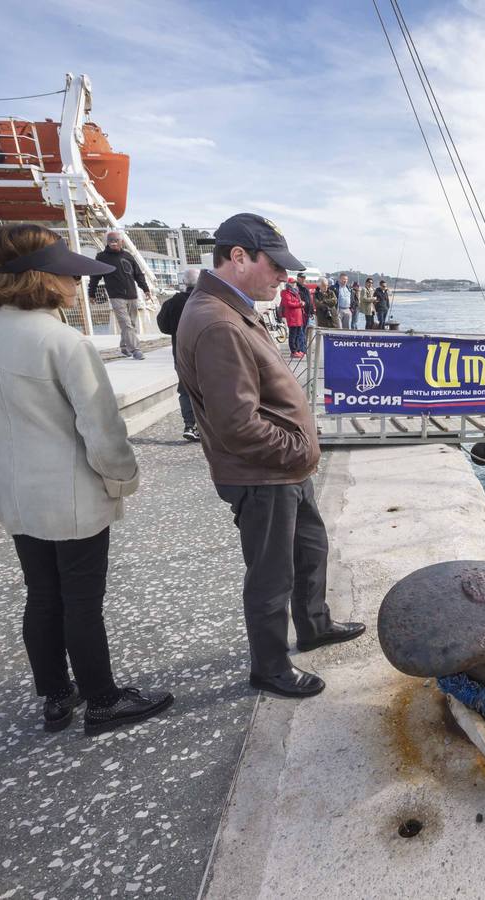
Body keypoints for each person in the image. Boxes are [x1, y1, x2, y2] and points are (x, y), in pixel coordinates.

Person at [0, 223, 173, 735]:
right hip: (71, 492)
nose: (77, 286)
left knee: (41, 593)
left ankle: (56, 696)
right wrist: (122, 479)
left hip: (12, 487)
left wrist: (4, 453)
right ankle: (102, 700)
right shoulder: (62, 341)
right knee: (81, 599)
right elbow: (102, 429)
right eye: (70, 276)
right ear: (46, 279)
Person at [174, 213, 365, 699]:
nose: (283, 277)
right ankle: (270, 667)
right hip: (264, 474)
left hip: (282, 470)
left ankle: (315, 623)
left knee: (309, 550)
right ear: (238, 257)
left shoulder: (230, 310)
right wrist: (298, 449)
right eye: (275, 265)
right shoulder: (218, 323)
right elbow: (238, 423)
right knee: (271, 575)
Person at [88, 230, 151, 360]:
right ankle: (136, 350)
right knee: (126, 323)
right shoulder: (101, 257)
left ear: (121, 242)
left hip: (132, 294)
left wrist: (145, 289)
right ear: (107, 242)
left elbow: (138, 274)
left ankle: (124, 347)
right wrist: (91, 293)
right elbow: (95, 277)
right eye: (110, 240)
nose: (113, 242)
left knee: (131, 324)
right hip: (116, 295)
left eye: (116, 240)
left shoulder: (128, 256)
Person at [155, 268, 201, 442]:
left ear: (185, 283)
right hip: (207, 354)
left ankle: (190, 425)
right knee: (209, 389)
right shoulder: (207, 301)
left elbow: (164, 327)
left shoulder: (172, 303)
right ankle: (208, 427)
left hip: (181, 354)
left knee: (186, 390)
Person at [280, 278, 307, 358]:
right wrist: (300, 304)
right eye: (292, 283)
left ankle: (298, 350)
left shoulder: (296, 292)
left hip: (298, 316)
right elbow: (288, 304)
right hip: (292, 317)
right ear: (288, 284)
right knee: (293, 334)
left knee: (298, 334)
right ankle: (293, 351)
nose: (294, 284)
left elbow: (296, 302)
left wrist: (302, 303)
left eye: (294, 282)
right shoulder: (285, 292)